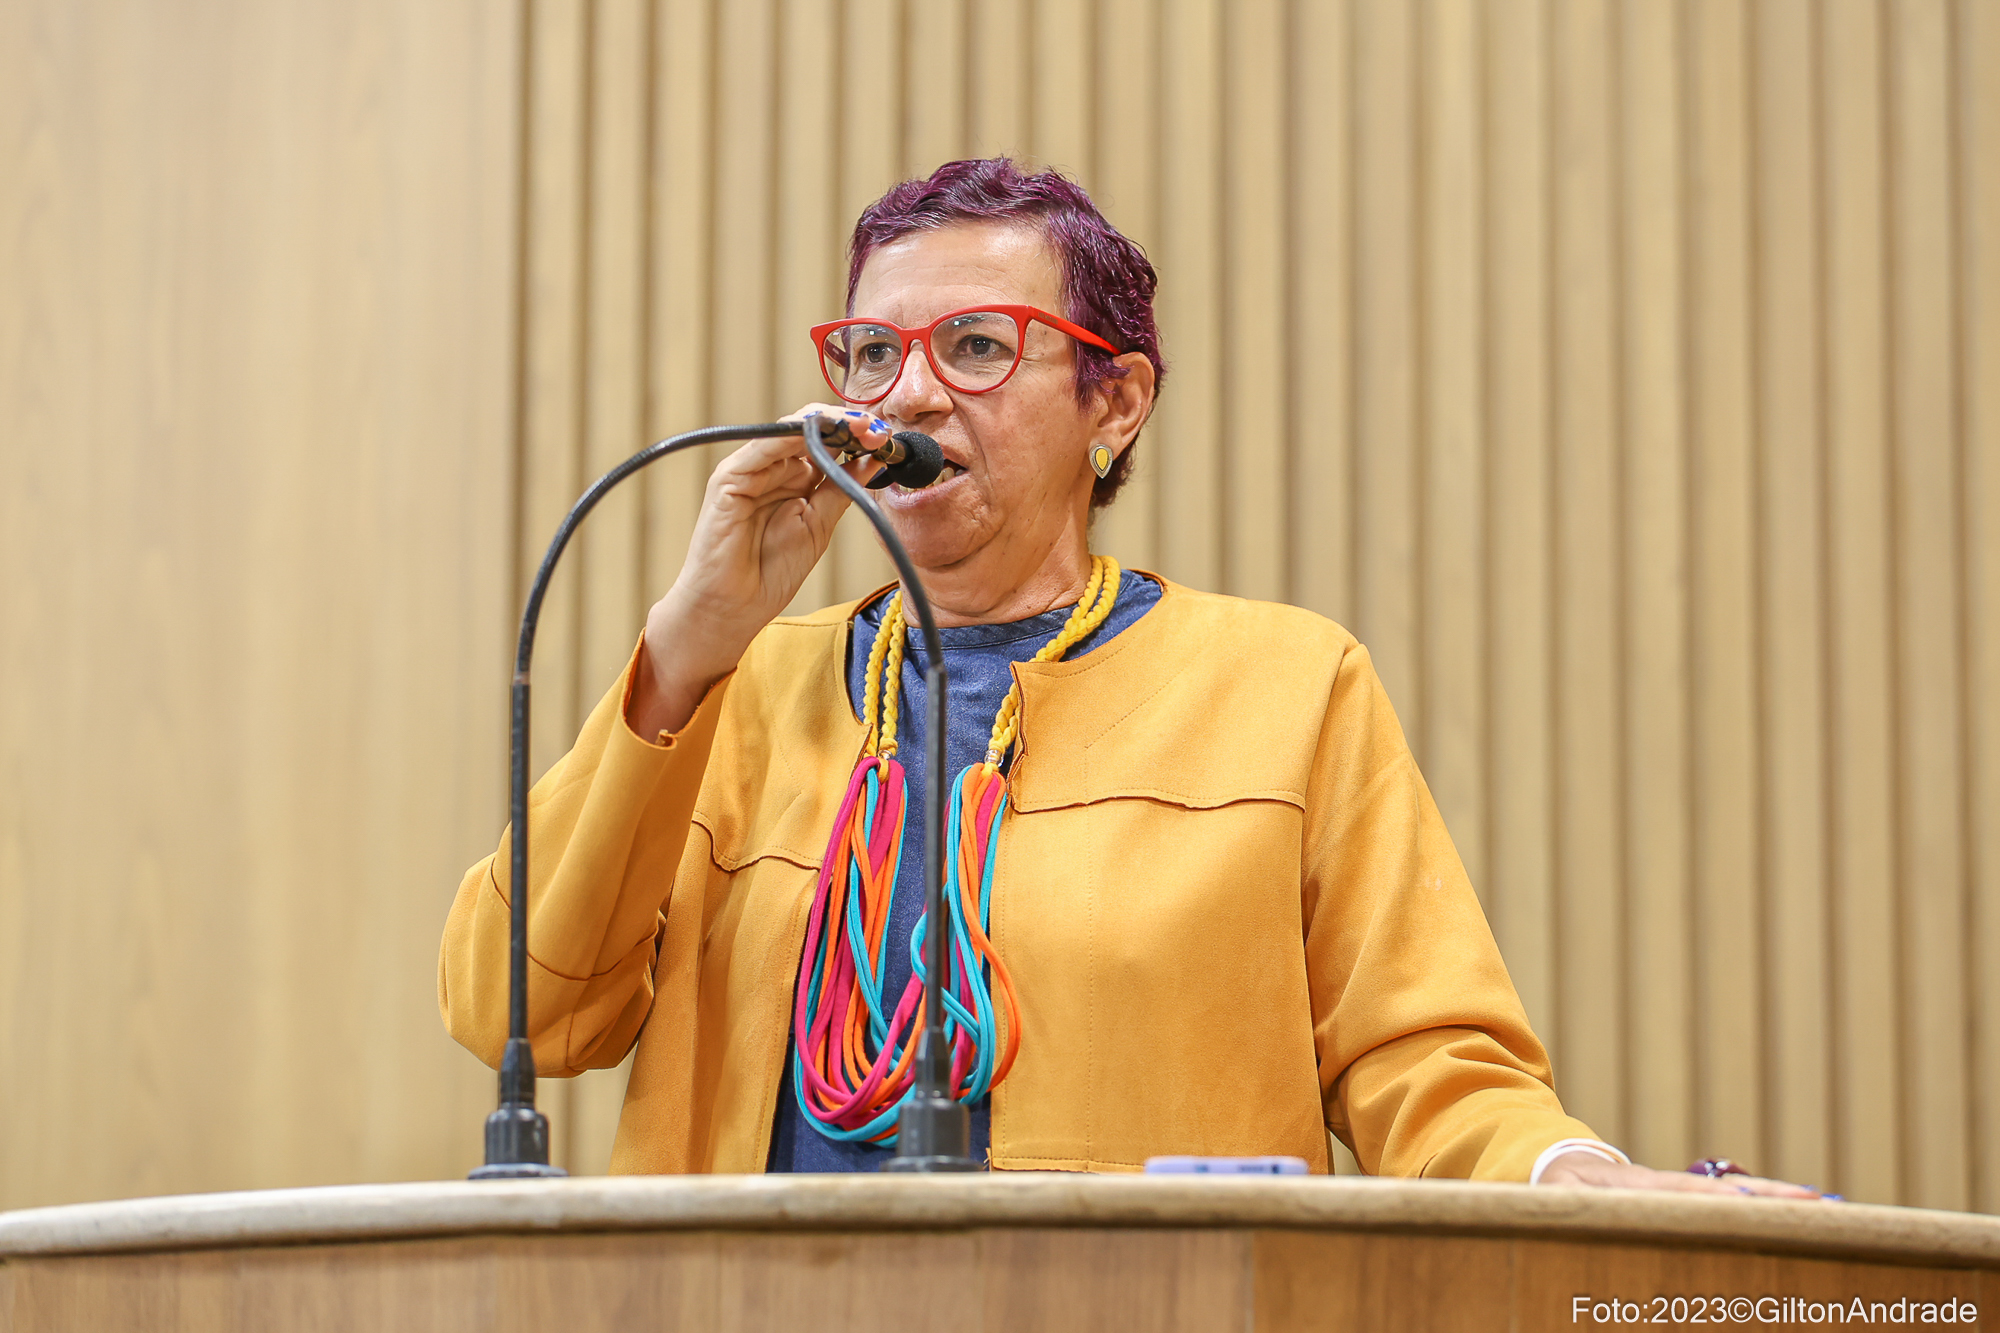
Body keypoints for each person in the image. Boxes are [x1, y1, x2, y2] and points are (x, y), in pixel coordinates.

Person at [440, 158, 1815, 1195]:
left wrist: (1575, 1173)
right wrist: (687, 646)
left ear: (1116, 402)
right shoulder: (738, 690)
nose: (906, 397)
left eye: (976, 347)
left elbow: (1425, 1062)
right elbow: (521, 1013)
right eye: (872, 355)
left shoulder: (1286, 684)